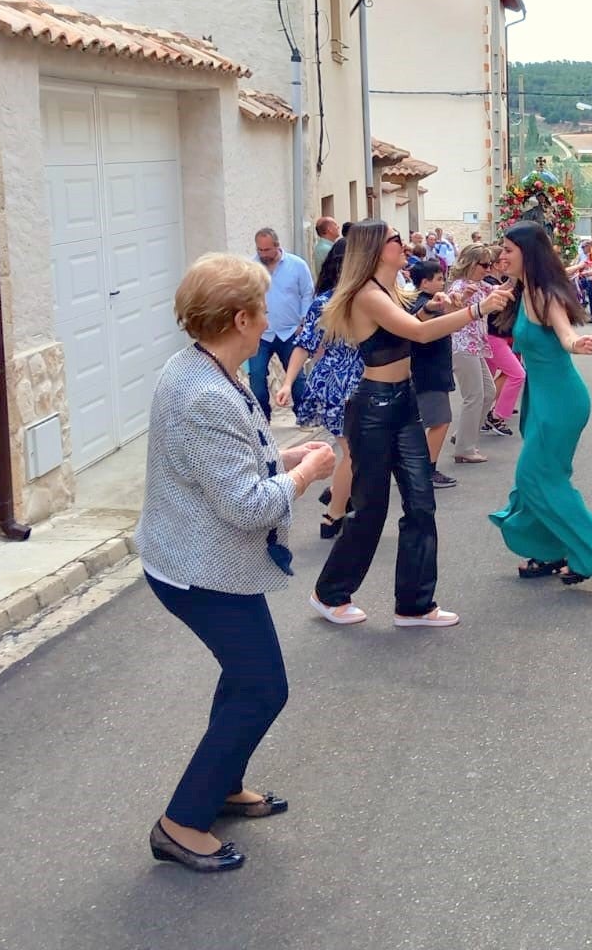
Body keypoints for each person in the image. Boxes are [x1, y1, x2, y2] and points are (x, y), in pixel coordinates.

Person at [138, 253, 339, 872]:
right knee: (261, 688)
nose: (269, 314)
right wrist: (306, 472)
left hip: (208, 564)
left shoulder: (203, 366)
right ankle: (179, 823)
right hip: (199, 572)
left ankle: (222, 786)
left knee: (242, 677)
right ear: (243, 317)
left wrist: (282, 455)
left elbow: (231, 462)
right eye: (262, 305)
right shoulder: (205, 393)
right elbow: (246, 506)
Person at [309, 220, 510, 628]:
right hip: (373, 409)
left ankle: (414, 605)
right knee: (371, 509)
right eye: (395, 240)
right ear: (376, 249)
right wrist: (476, 310)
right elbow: (417, 334)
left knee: (420, 502)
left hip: (401, 403)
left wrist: (433, 305)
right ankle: (329, 593)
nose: (403, 245)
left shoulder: (389, 290)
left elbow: (410, 322)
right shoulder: (366, 294)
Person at [490, 222, 592, 584]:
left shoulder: (543, 294)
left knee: (536, 476)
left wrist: (575, 343)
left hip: (560, 402)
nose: (501, 256)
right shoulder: (523, 289)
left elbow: (564, 332)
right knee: (543, 476)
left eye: (508, 250)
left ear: (526, 254)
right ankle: (549, 552)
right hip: (544, 398)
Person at [275, 240, 360, 540]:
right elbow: (305, 345)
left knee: (358, 452)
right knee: (354, 452)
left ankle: (339, 493)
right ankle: (333, 514)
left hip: (357, 383)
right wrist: (287, 382)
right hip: (340, 386)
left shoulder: (368, 297)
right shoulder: (328, 302)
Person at [247, 228, 314, 423]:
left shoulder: (297, 265)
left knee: (297, 377)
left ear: (277, 246)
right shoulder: (251, 268)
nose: (263, 254)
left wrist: (304, 321)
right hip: (261, 334)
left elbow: (307, 294)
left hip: (291, 331)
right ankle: (262, 420)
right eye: (260, 250)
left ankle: (304, 417)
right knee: (257, 377)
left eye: (267, 250)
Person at [405, 260, 459, 490]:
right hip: (429, 372)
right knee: (439, 421)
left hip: (428, 370)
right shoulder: (424, 306)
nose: (442, 282)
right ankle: (427, 469)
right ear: (424, 282)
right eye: (438, 279)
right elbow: (447, 327)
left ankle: (416, 469)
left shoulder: (423, 303)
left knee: (423, 422)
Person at [446, 244, 498, 466]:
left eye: (489, 265)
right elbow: (450, 311)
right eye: (484, 265)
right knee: (475, 395)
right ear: (470, 263)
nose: (487, 269)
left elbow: (501, 291)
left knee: (488, 392)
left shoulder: (478, 284)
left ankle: (464, 435)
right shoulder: (458, 286)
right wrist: (461, 298)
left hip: (474, 346)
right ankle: (465, 448)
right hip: (462, 346)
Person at [483, 244, 525, 436]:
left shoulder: (498, 281)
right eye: (503, 259)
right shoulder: (489, 283)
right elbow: (505, 288)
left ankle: (485, 416)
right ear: (494, 264)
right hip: (494, 337)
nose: (506, 262)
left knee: (488, 385)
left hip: (498, 336)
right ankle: (497, 415)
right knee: (517, 374)